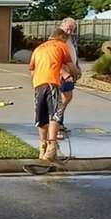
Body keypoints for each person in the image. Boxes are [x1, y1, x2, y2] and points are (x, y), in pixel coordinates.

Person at [29, 28, 72, 162]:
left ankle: (43, 147)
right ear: (60, 37)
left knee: (41, 117)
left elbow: (32, 69)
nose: (66, 41)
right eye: (66, 38)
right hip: (52, 83)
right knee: (55, 114)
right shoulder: (61, 45)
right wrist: (74, 75)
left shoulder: (39, 49)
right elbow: (70, 66)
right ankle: (52, 148)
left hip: (38, 84)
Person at [57, 16, 82, 133]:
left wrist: (77, 68)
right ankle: (56, 121)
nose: (69, 32)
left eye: (72, 29)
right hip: (61, 74)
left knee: (66, 97)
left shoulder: (71, 39)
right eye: (68, 29)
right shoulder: (57, 39)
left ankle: (58, 121)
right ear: (62, 26)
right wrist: (64, 73)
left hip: (71, 72)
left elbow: (74, 54)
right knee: (65, 97)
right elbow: (55, 58)